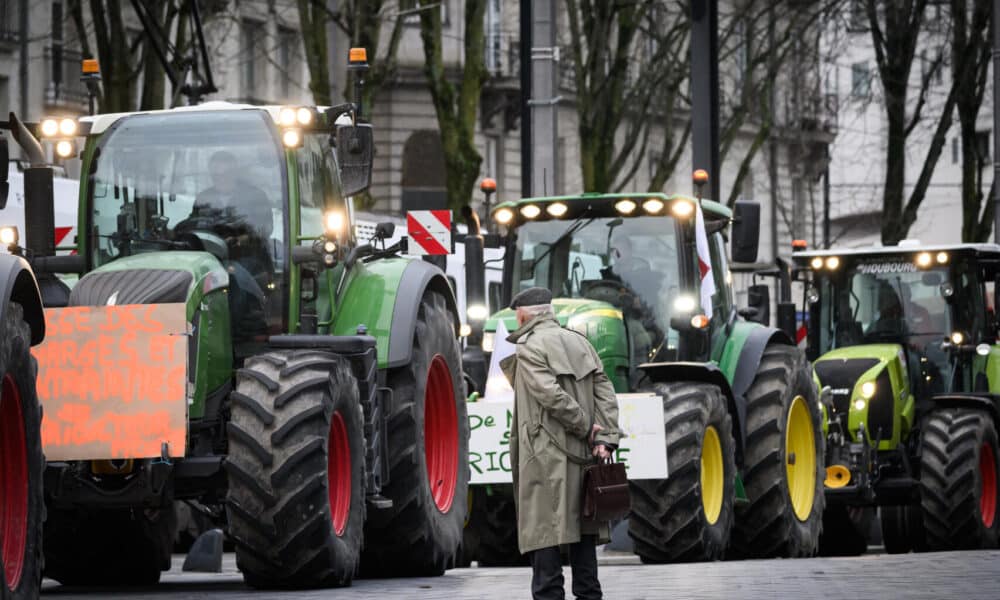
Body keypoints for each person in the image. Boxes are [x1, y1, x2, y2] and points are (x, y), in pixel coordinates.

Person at [500, 287, 620, 600]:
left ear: (524, 314)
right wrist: (604, 437)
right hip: (583, 455)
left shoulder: (529, 347)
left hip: (542, 454)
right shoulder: (580, 342)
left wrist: (587, 428)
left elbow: (550, 395)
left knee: (544, 532)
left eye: (517, 315)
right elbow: (605, 391)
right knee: (583, 528)